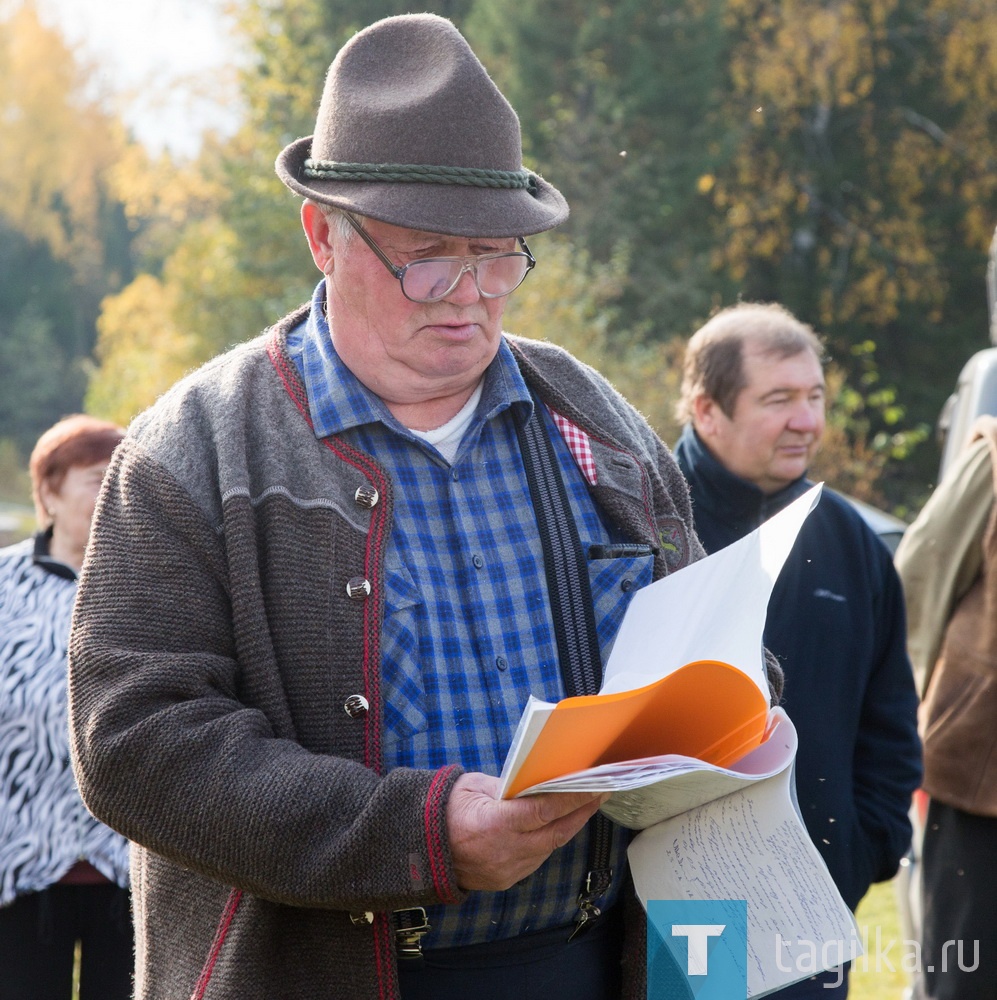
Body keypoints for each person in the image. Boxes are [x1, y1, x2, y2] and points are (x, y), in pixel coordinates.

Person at [64, 15, 751, 1000]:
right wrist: (420, 832)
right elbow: (136, 743)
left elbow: (695, 629)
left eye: (499, 257)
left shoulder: (596, 421)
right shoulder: (192, 450)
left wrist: (735, 695)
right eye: (429, 259)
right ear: (321, 235)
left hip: (597, 966)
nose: (470, 296)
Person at [673, 302, 922, 997]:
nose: (807, 421)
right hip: (672, 907)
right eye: (778, 399)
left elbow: (890, 724)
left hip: (812, 901)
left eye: (814, 397)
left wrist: (859, 852)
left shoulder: (850, 543)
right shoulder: (638, 528)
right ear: (705, 408)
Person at [0, 414, 131, 1000]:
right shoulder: (4, 586)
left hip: (129, 862)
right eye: (98, 477)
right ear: (50, 490)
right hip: (19, 863)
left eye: (122, 478)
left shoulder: (148, 583)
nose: (114, 491)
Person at [894, 415, 997, 1000]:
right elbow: (918, 587)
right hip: (980, 790)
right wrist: (906, 723)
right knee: (967, 981)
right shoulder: (993, 460)